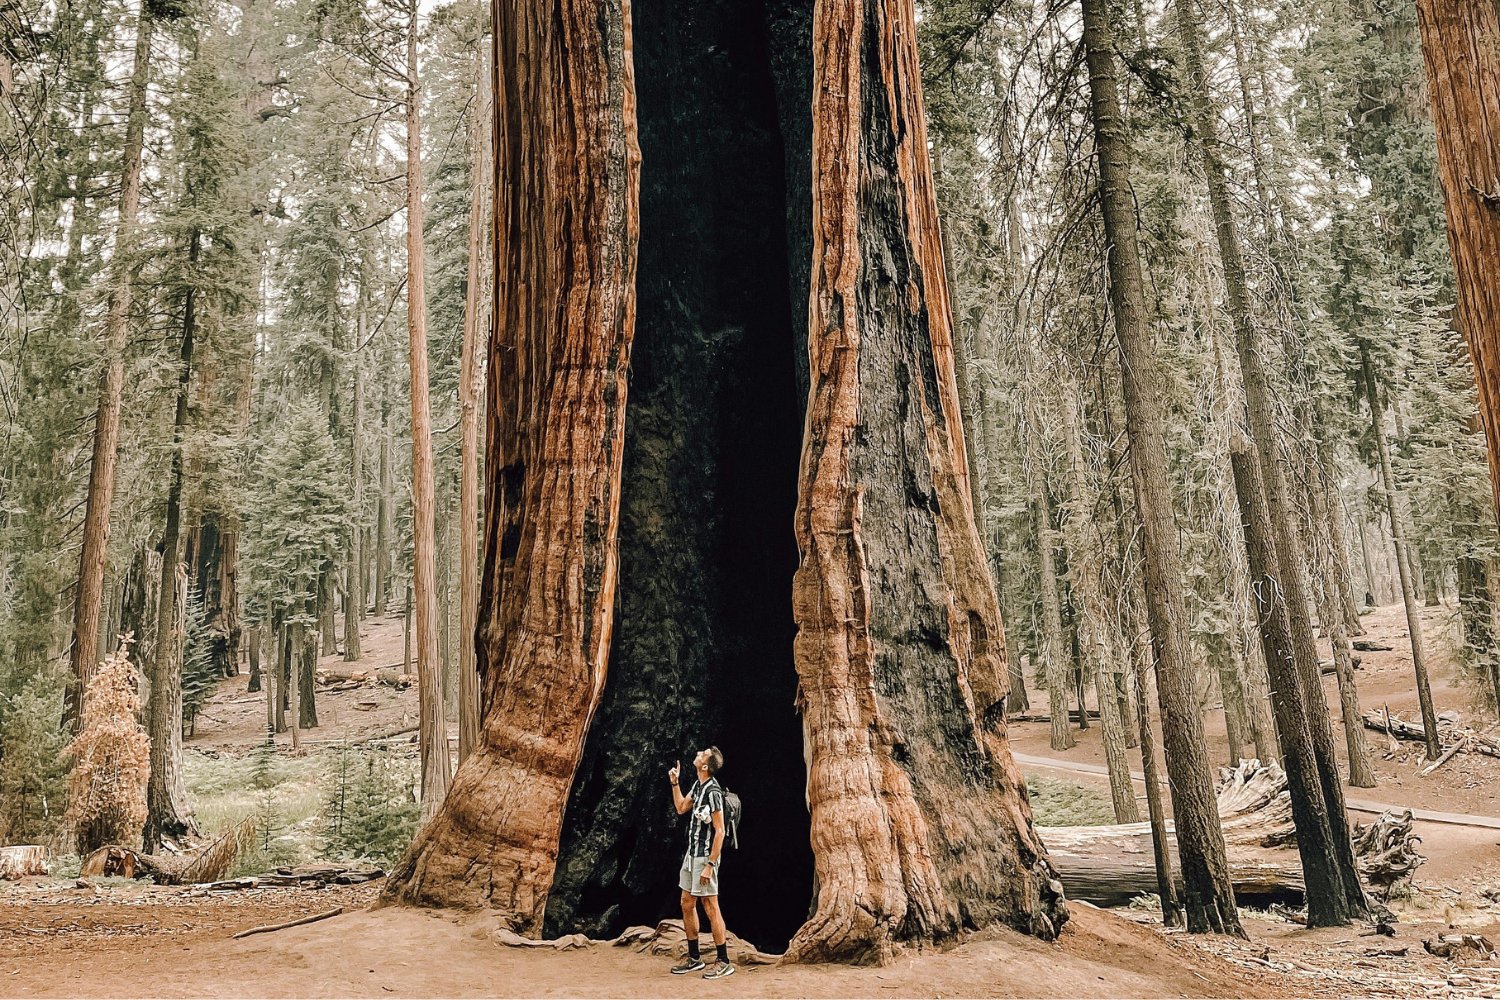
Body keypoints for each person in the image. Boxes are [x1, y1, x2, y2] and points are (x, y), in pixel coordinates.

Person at [667, 747, 734, 979]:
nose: (697, 752)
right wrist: (675, 783)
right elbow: (681, 808)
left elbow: (720, 831)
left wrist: (710, 865)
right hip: (692, 854)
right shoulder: (698, 786)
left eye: (702, 754)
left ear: (705, 766)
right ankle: (694, 958)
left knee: (710, 906)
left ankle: (723, 961)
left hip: (705, 857)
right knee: (687, 902)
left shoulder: (713, 792)